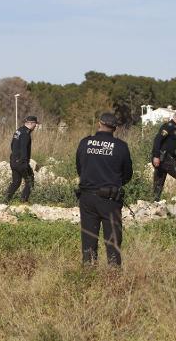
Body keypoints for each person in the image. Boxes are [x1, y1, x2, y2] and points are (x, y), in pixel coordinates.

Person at [76, 113, 133, 267]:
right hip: (110, 200)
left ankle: (89, 273)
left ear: (99, 123)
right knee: (113, 241)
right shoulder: (121, 146)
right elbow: (127, 175)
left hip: (87, 198)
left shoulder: (85, 143)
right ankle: (113, 277)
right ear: (115, 128)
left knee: (88, 240)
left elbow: (80, 169)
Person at [152, 110, 176, 202]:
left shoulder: (174, 128)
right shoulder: (169, 126)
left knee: (159, 180)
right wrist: (156, 156)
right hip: (163, 157)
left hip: (165, 156)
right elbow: (157, 140)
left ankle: (155, 202)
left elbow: (168, 146)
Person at [5, 116, 38, 203]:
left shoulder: (18, 131)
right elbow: (24, 148)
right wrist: (24, 162)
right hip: (21, 162)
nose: (35, 126)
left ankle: (5, 200)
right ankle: (24, 200)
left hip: (13, 160)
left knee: (16, 182)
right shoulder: (25, 134)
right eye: (35, 124)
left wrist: (15, 158)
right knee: (30, 181)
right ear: (31, 123)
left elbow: (12, 145)